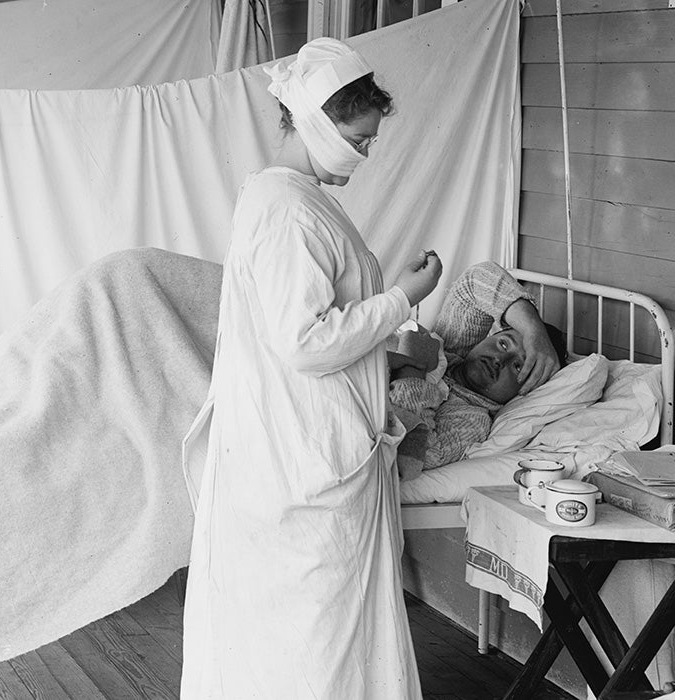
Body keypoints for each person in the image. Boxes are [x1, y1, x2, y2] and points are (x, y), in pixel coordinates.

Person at [180, 38, 438, 699]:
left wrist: (389, 345)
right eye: (359, 138)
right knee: (313, 634)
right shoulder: (287, 209)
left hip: (302, 442)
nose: (365, 152)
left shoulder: (295, 198)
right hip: (302, 454)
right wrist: (403, 297)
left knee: (317, 631)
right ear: (318, 122)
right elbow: (303, 343)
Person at [388, 261, 563, 475]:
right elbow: (477, 279)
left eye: (518, 366)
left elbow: (414, 457)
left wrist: (412, 367)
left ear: (527, 388)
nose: (500, 359)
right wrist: (532, 330)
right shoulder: (451, 347)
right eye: (504, 343)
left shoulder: (472, 419)